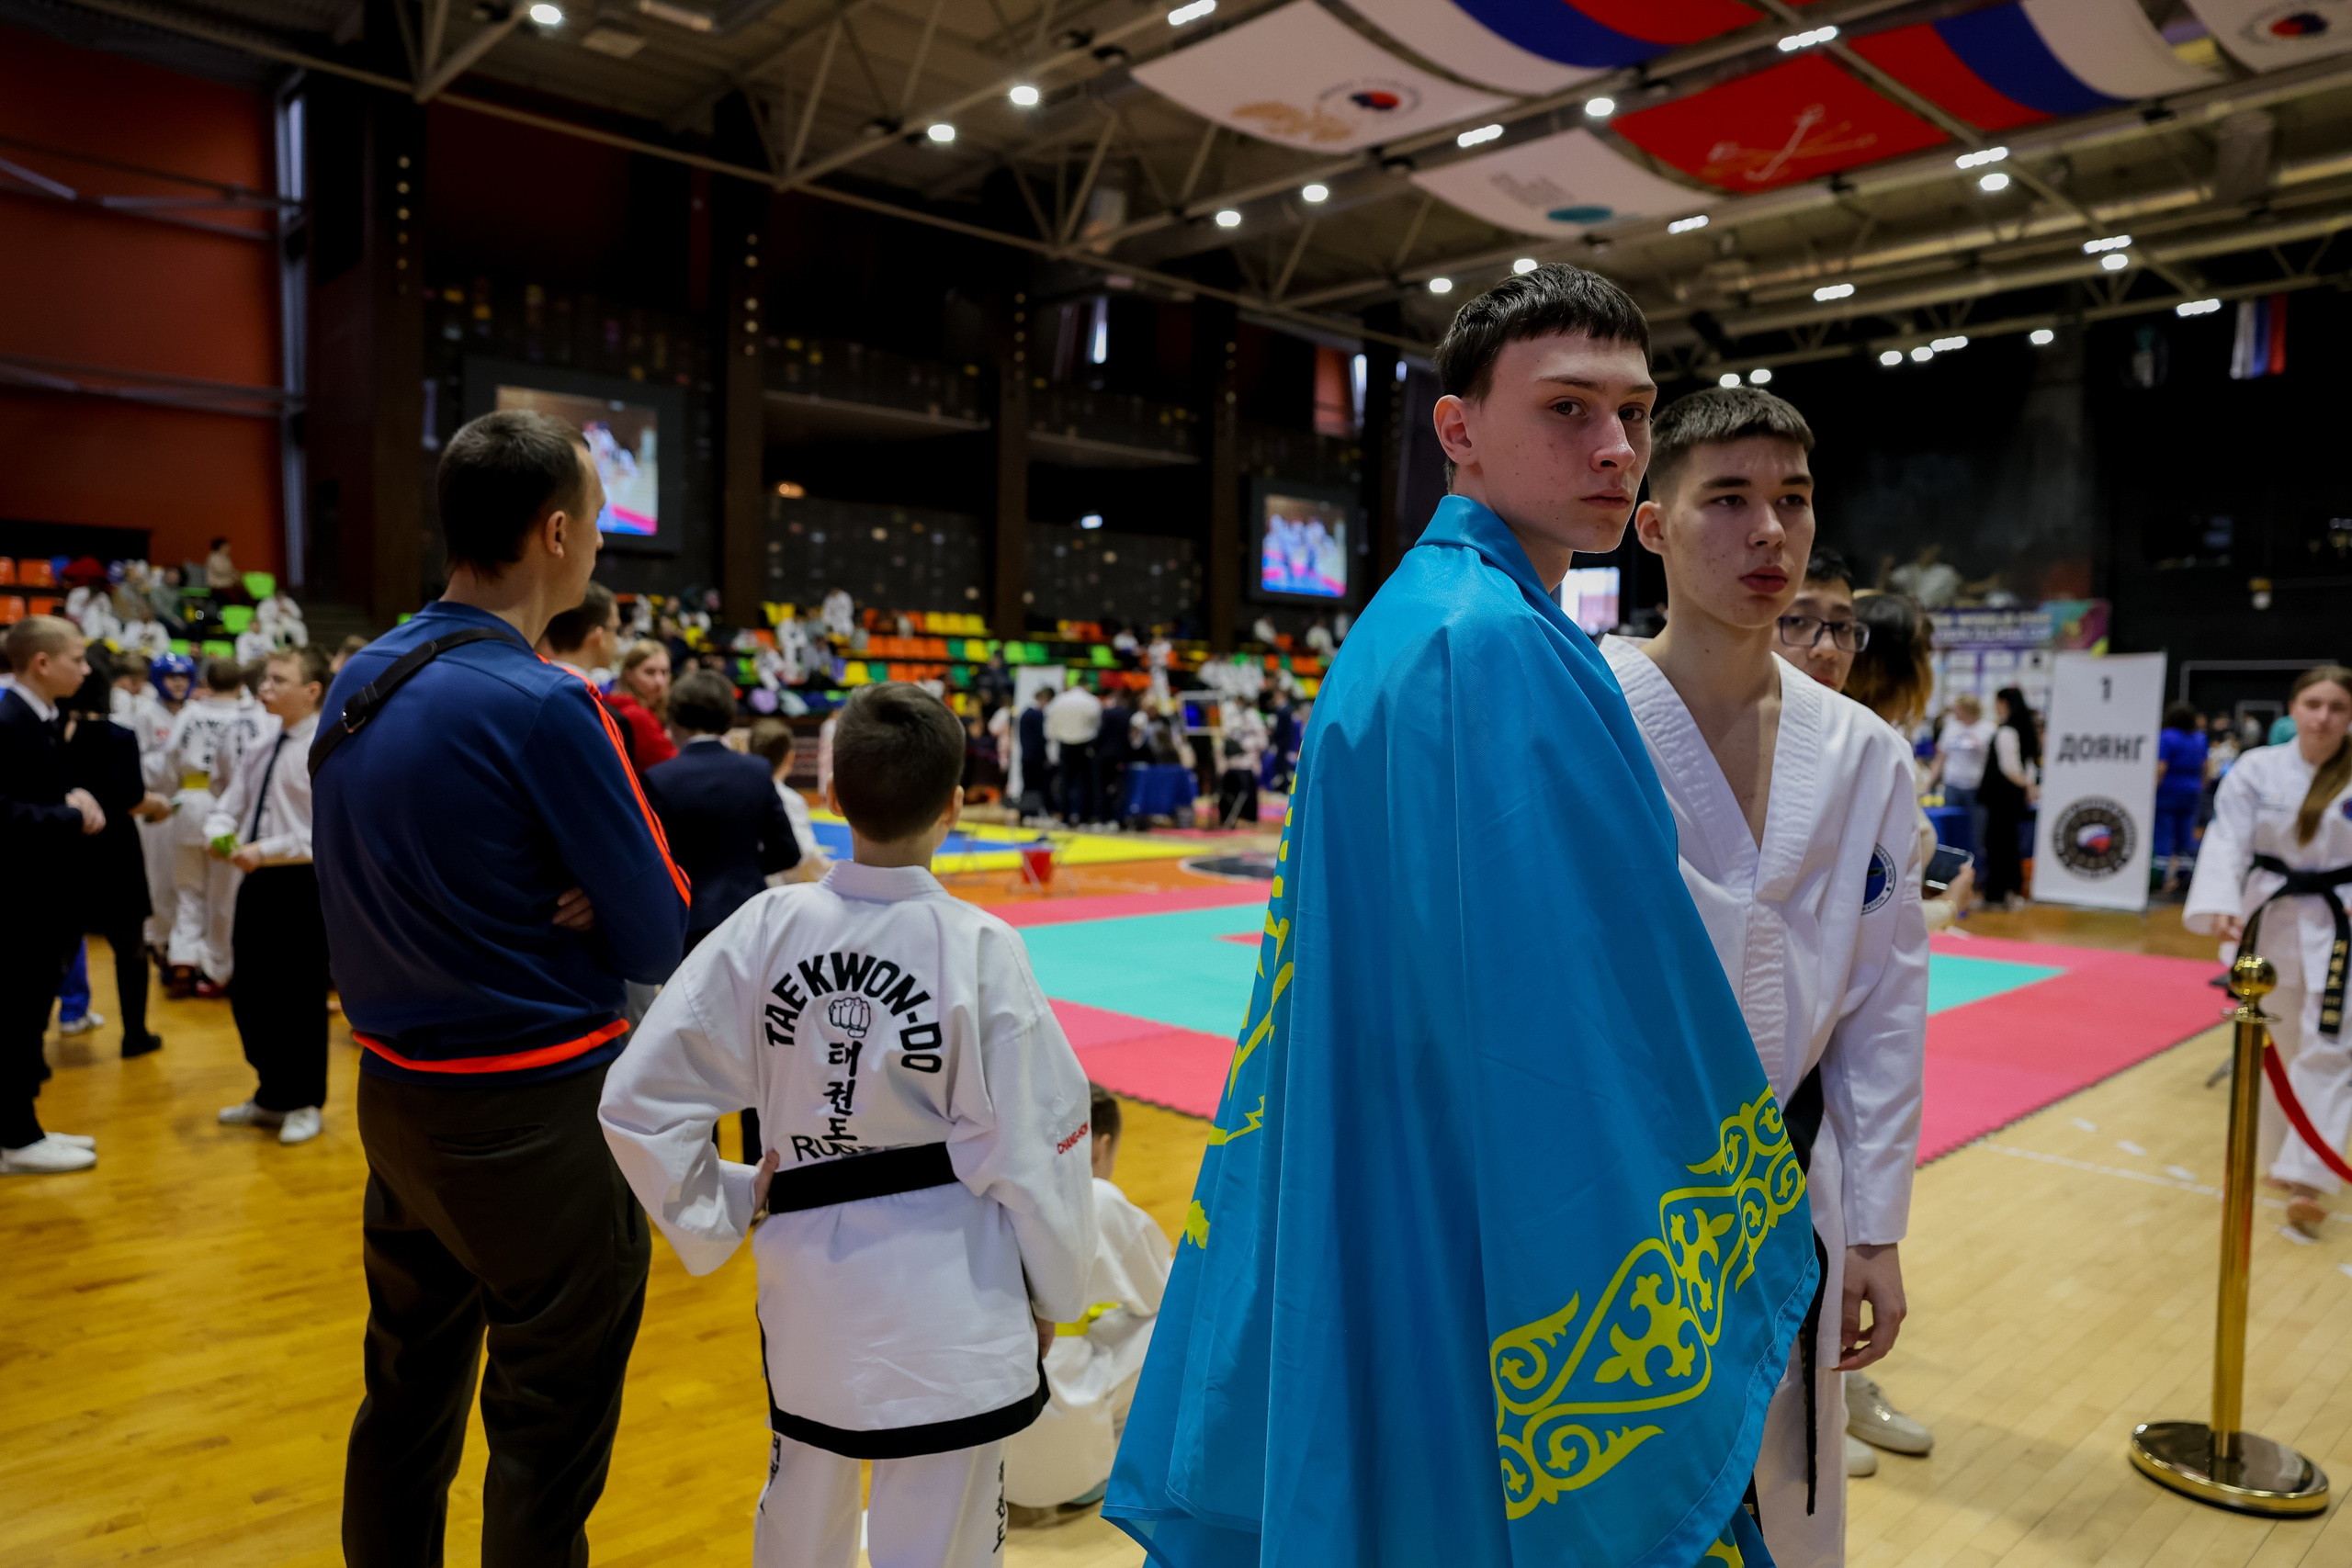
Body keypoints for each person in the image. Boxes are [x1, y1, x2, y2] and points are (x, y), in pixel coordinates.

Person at [1106, 265, 1810, 1565]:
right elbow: (1567, 1016)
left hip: (1383, 1154)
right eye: (1567, 409)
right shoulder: (1486, 645)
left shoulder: (1431, 619)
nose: (1613, 447)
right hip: (1467, 1198)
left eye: (1636, 411)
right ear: (1458, 429)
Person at [598, 681, 1096, 1568]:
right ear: (955, 804)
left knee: (803, 1524)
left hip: (814, 1294)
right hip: (956, 1298)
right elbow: (1039, 1147)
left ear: (830, 799)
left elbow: (637, 1098)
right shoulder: (980, 947)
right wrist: (1055, 1291)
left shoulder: (766, 927)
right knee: (936, 1545)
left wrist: (732, 1196)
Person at [316, 408, 689, 1565]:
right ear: (561, 531)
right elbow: (657, 922)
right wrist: (584, 886)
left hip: (396, 1104)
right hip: (532, 1117)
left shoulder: (360, 677)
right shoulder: (547, 703)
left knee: (406, 1398)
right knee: (545, 1432)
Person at [1603, 386, 1928, 1564]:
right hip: (1614, 1182)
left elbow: (1886, 1003)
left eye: (1790, 500)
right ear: (1652, 525)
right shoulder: (1585, 713)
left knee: (1780, 1489)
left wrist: (1878, 1226)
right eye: (1727, 499)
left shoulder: (1866, 754)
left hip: (1797, 1182)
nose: (1769, 534)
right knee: (1616, 1487)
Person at [2185, 665, 2352, 1238]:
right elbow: (2227, 837)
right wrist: (2221, 902)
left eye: (2336, 707)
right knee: (2279, 1041)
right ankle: (2286, 1161)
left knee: (2331, 1043)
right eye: (2314, 704)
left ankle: (2308, 1180)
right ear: (2293, 708)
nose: (2324, 717)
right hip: (2272, 915)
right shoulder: (2258, 768)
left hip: (2341, 919)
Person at [1004, 1085, 1171, 1520]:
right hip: (1070, 1467)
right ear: (1100, 1148)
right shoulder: (1097, 1196)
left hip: (987, 1459)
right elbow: (1166, 1292)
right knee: (1178, 1325)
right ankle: (1104, 1464)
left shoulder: (994, 1192)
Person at [207, 644, 331, 1144]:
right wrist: (220, 829)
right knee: (251, 989)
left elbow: (326, 832)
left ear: (312, 690)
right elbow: (231, 800)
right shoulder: (262, 743)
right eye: (265, 680)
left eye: (279, 680)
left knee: (298, 994)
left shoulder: (325, 747)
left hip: (302, 883)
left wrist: (265, 850)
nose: (265, 688)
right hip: (256, 879)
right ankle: (270, 1093)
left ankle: (305, 1100)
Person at [0, 616, 107, 1174]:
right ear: (42, 663)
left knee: (26, 1019)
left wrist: (68, 793)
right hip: (19, 903)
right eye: (77, 657)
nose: (86, 669)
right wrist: (68, 815)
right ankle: (17, 1138)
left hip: (38, 898)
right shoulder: (8, 717)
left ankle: (22, 1127)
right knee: (17, 1019)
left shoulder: (35, 716)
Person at [641, 669, 801, 949]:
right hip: (751, 914)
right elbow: (787, 852)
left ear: (674, 718)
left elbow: (650, 863)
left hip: (688, 921)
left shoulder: (659, 779)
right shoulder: (757, 771)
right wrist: (746, 869)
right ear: (729, 718)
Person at [62, 648, 169, 1062]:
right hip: (115, 851)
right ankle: (135, 1034)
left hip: (68, 848)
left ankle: (31, 1044)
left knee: (61, 945)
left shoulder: (52, 733)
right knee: (129, 946)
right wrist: (158, 805)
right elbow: (131, 797)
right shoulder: (119, 737)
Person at [162, 659, 255, 998]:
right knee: (222, 894)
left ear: (206, 682)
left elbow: (170, 756)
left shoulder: (189, 712)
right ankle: (216, 969)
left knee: (187, 887)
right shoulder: (245, 718)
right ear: (241, 684)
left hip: (189, 800)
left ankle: (183, 958)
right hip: (225, 807)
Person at [1978, 686, 2041, 909]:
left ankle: (1998, 894)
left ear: (2003, 703)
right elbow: (2028, 766)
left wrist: (2024, 784)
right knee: (2008, 844)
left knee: (1997, 845)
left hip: (2001, 799)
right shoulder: (2024, 729)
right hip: (2012, 799)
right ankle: (2009, 891)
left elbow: (2011, 768)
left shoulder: (2007, 731)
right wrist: (2029, 787)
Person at [748, 718, 828, 885]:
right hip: (775, 889)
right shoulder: (789, 800)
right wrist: (827, 871)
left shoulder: (738, 792)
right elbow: (804, 854)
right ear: (789, 757)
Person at [2154, 701, 2211, 894]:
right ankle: (2186, 877)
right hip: (2192, 791)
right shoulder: (2199, 738)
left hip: (2168, 791)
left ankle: (2158, 877)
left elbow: (2161, 766)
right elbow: (2206, 767)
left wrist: (2154, 787)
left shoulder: (2167, 737)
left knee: (2163, 834)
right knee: (2186, 836)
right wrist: (2200, 786)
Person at [1936, 694, 1996, 864]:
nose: (1954, 712)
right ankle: (1948, 871)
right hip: (1953, 785)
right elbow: (1941, 757)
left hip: (1976, 788)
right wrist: (1930, 782)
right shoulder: (1951, 727)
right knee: (1951, 831)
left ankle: (1978, 874)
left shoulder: (1988, 729)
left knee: (1979, 833)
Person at [606, 637, 678, 771]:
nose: (659, 681)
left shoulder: (654, 708)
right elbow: (674, 767)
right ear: (629, 675)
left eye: (665, 672)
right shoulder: (637, 715)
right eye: (650, 672)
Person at [540, 578, 620, 686]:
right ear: (598, 635)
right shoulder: (576, 692)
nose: (617, 641)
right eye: (615, 630)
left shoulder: (536, 679)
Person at [1046, 680, 1104, 828]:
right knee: (1084, 782)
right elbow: (1097, 724)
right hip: (1084, 744)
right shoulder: (1091, 701)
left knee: (1066, 782)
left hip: (1065, 744)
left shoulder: (1060, 700)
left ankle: (1065, 817)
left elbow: (1050, 724)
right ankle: (1083, 818)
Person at [1018, 686, 1052, 825]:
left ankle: (1025, 814)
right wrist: (1045, 757)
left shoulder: (1025, 713)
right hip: (1036, 758)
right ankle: (1033, 813)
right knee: (1036, 786)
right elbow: (1040, 739)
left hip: (1026, 756)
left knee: (1027, 786)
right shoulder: (1037, 715)